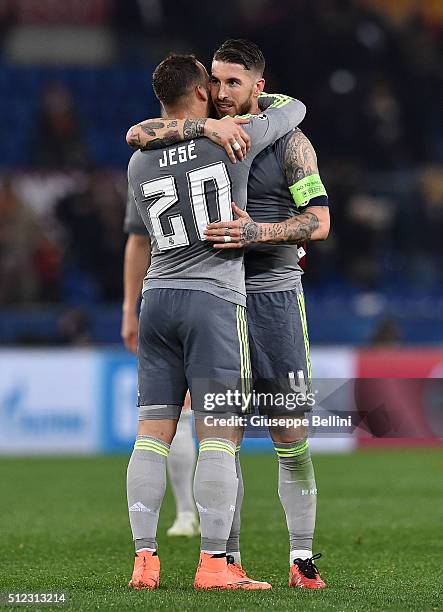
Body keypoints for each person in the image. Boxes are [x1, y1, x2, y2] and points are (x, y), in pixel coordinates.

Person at [127, 39, 329, 589]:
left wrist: (259, 231)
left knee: (290, 436)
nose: (220, 93)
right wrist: (207, 126)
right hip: (222, 299)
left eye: (232, 83)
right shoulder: (205, 135)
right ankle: (226, 558)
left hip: (275, 296)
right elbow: (140, 132)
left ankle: (302, 558)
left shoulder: (290, 142)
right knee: (225, 438)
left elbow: (319, 221)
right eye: (213, 82)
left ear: (257, 87)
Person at [122, 197, 199, 538]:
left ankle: (196, 518)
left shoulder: (141, 162)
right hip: (194, 294)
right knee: (184, 414)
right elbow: (139, 239)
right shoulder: (142, 164)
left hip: (179, 295)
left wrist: (130, 308)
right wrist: (128, 308)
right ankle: (191, 515)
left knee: (212, 418)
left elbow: (139, 240)